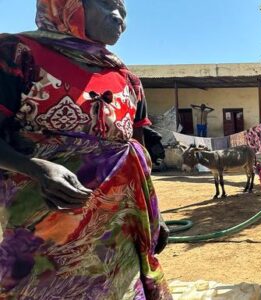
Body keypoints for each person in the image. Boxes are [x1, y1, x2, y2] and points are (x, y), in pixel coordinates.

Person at [0, 0, 170, 298]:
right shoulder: (18, 55)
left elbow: (137, 150)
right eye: (105, 5)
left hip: (118, 236)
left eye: (123, 11)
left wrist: (156, 216)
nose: (118, 18)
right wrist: (34, 168)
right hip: (44, 237)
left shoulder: (126, 79)